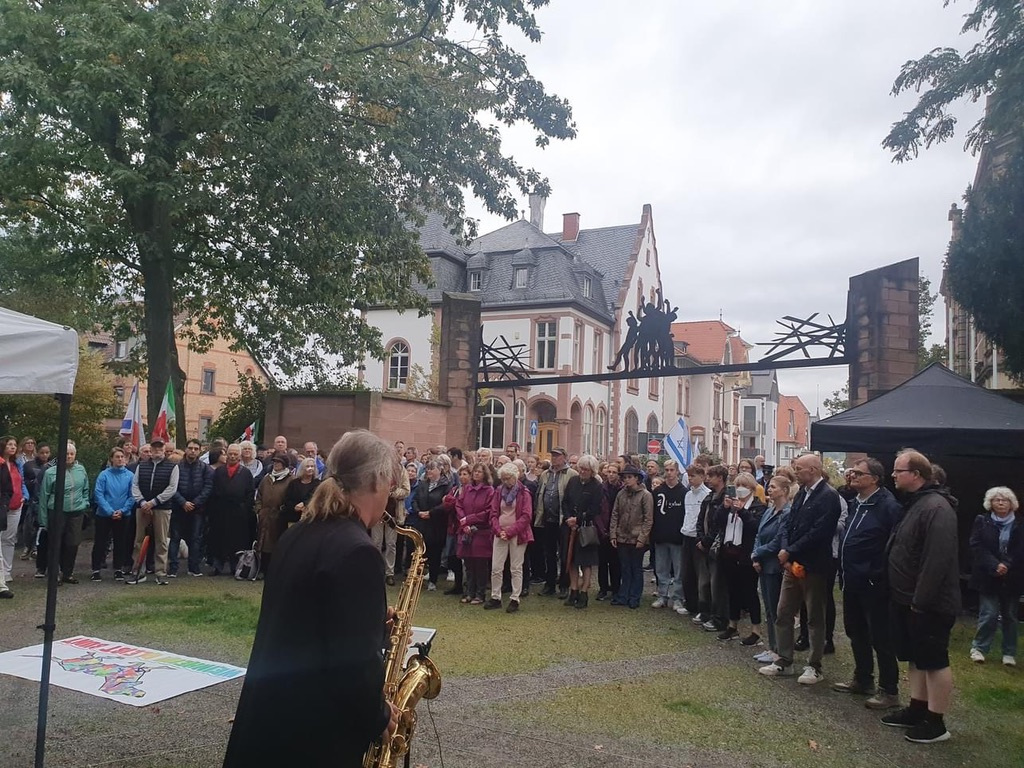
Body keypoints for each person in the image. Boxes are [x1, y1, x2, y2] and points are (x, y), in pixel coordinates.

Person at [223, 430, 400, 768]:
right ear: (378, 480)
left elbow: (308, 624)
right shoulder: (358, 551)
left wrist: (372, 624)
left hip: (271, 719)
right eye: (390, 483)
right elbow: (353, 666)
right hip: (314, 735)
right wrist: (379, 716)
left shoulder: (299, 534)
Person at [881, 449, 960, 743]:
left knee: (934, 660)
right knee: (915, 657)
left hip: (929, 604)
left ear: (916, 475)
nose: (893, 475)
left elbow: (936, 561)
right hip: (907, 599)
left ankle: (936, 722)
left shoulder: (937, 508)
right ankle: (917, 707)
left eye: (898, 470)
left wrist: (920, 602)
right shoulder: (916, 503)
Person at [759, 453, 842, 685]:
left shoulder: (829, 496)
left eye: (800, 468)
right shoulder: (802, 493)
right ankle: (784, 660)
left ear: (813, 470)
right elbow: (789, 524)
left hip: (814, 565)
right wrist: (786, 551)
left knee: (815, 616)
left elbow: (820, 532)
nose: (796, 472)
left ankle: (814, 665)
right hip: (792, 564)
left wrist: (791, 550)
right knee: (783, 611)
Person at [833, 458, 904, 709]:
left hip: (873, 584)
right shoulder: (856, 504)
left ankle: (889, 690)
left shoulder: (887, 507)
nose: (852, 477)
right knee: (856, 632)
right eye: (851, 473)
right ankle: (863, 679)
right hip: (851, 580)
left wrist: (876, 575)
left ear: (874, 478)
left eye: (858, 474)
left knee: (880, 637)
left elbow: (892, 547)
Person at [969, 486, 1023, 667]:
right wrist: (994, 564)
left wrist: (1006, 564)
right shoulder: (982, 521)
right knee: (989, 614)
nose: (1000, 503)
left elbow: (1019, 549)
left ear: (1012, 503)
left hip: (1012, 576)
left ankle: (1009, 652)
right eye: (996, 499)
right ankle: (979, 648)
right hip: (987, 575)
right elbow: (976, 545)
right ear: (990, 503)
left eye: (1005, 500)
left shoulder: (1019, 524)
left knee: (1010, 615)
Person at [715, 472, 766, 644]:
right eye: (737, 486)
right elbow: (718, 522)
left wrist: (742, 511)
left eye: (743, 486)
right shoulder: (730, 504)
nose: (740, 490)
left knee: (750, 592)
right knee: (732, 591)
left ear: (751, 489)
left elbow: (755, 527)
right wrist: (724, 507)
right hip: (728, 552)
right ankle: (732, 625)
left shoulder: (758, 507)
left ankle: (756, 630)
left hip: (746, 555)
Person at [751, 474, 792, 664]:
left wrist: (758, 552)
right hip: (762, 562)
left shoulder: (787, 513)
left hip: (774, 564)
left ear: (784, 490)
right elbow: (759, 534)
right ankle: (771, 646)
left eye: (774, 487)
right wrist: (756, 555)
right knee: (768, 607)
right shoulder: (769, 510)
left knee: (777, 609)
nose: (770, 490)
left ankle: (780, 649)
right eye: (770, 487)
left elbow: (778, 541)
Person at [39, 441, 91, 585]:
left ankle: (67, 573)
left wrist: (85, 502)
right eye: (66, 454)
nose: (68, 456)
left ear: (75, 455)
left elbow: (86, 488)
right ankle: (54, 574)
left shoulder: (81, 469)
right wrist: (43, 520)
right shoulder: (50, 472)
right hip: (56, 512)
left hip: (76, 512)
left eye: (71, 454)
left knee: (73, 544)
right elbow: (44, 496)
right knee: (55, 544)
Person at [129, 438, 180, 585]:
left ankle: (160, 573)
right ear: (150, 450)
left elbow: (172, 488)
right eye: (154, 448)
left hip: (162, 508)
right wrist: (143, 502)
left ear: (164, 450)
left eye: (160, 448)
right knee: (139, 541)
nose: (157, 451)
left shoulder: (172, 467)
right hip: (142, 507)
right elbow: (135, 485)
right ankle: (138, 571)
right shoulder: (142, 466)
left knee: (161, 541)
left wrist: (154, 502)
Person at [488, 461, 533, 612]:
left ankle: (515, 598)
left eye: (508, 478)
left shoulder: (524, 492)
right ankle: (495, 597)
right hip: (500, 533)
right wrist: (498, 530)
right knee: (496, 567)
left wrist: (510, 531)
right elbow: (493, 513)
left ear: (515, 477)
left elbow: (526, 516)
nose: (505, 481)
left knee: (516, 567)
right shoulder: (498, 491)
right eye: (503, 478)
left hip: (518, 534)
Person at [205, 444, 256, 577]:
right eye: (230, 454)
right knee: (218, 540)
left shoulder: (246, 473)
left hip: (238, 513)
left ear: (239, 456)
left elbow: (250, 493)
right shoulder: (219, 472)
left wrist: (245, 508)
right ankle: (217, 566)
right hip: (220, 512)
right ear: (227, 455)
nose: (233, 456)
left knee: (237, 541)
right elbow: (213, 491)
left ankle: (235, 566)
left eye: (235, 454)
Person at [561, 454, 603, 609]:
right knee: (570, 560)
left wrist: (577, 520)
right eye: (581, 468)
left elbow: (594, 509)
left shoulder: (596, 486)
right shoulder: (573, 482)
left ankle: (584, 591)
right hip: (569, 526)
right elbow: (565, 501)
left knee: (585, 562)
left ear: (592, 471)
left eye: (586, 469)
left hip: (586, 528)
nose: (583, 472)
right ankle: (573, 590)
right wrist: (568, 518)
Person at [535, 447, 577, 597]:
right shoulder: (545, 474)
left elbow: (573, 498)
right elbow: (540, 495)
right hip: (548, 519)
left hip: (563, 520)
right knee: (549, 553)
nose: (554, 458)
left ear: (564, 457)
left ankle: (564, 585)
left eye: (557, 456)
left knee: (565, 554)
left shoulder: (572, 474)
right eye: (552, 455)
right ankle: (550, 584)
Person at [609, 465, 653, 609]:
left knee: (636, 568)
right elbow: (615, 514)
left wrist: (642, 538)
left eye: (629, 477)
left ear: (637, 479)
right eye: (625, 477)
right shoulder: (621, 494)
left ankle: (635, 597)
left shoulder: (645, 495)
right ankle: (623, 595)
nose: (626, 480)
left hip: (637, 537)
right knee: (625, 568)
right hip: (622, 537)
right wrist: (613, 534)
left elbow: (648, 519)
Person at [170, 439, 214, 577]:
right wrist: (183, 502)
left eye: (196, 448)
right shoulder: (176, 467)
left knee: (195, 539)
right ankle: (173, 568)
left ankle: (193, 567)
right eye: (190, 448)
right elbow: (172, 487)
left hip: (197, 510)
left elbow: (208, 487)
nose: (193, 451)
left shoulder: (205, 468)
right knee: (175, 539)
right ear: (186, 449)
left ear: (200, 450)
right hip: (178, 508)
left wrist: (195, 503)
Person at [91, 447, 136, 581]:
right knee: (100, 542)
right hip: (104, 515)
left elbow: (132, 495)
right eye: (117, 457)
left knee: (121, 542)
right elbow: (98, 494)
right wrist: (110, 511)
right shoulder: (104, 475)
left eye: (122, 457)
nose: (120, 459)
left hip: (123, 514)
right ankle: (96, 569)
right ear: (111, 459)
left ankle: (118, 569)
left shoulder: (130, 476)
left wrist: (122, 510)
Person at [696, 465, 729, 632]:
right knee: (704, 582)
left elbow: (718, 524)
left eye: (711, 476)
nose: (707, 479)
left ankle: (719, 617)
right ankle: (705, 611)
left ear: (720, 478)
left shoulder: (726, 498)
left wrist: (707, 541)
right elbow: (701, 518)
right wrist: (701, 537)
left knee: (717, 584)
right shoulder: (709, 497)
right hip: (704, 545)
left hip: (717, 546)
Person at [651, 459, 687, 613]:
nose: (669, 473)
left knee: (678, 571)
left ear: (677, 471)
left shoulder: (684, 492)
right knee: (661, 569)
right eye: (666, 470)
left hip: (678, 538)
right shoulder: (658, 492)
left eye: (672, 470)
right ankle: (662, 596)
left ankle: (677, 598)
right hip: (660, 536)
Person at [456, 462, 495, 605]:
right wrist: (464, 522)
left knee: (480, 564)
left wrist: (470, 519)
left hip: (481, 531)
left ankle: (480, 594)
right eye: (475, 472)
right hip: (466, 530)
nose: (476, 474)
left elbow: (488, 511)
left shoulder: (489, 490)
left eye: (479, 472)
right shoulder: (467, 489)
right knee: (468, 564)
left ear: (485, 474)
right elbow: (459, 505)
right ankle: (469, 592)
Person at [412, 459, 451, 591]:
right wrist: (419, 512)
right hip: (421, 523)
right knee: (420, 553)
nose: (428, 471)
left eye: (432, 468)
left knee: (434, 553)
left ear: (439, 470)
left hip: (436, 524)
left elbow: (445, 504)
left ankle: (433, 581)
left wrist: (431, 513)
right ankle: (416, 580)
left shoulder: (446, 485)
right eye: (427, 468)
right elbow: (415, 500)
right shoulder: (422, 484)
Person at [255, 453, 292, 577]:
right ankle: (263, 569)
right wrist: (259, 509)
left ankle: (275, 570)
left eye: (279, 462)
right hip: (265, 515)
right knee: (263, 543)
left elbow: (290, 497)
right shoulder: (266, 478)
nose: (276, 464)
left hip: (279, 517)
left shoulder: (290, 479)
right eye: (275, 462)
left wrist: (283, 510)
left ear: (284, 464)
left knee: (277, 544)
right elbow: (259, 495)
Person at [680, 464, 710, 619]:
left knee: (701, 576)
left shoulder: (707, 494)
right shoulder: (687, 495)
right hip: (687, 536)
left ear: (702, 477)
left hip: (698, 538)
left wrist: (701, 537)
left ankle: (702, 607)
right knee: (687, 573)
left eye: (693, 476)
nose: (690, 479)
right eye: (689, 476)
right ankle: (690, 604)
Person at [0, 436, 27, 584]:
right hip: (1, 506)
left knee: (9, 539)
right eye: (9, 444)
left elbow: (22, 482)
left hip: (16, 505)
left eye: (14, 445)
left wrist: (25, 497)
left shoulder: (17, 464)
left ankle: (7, 571)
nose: (12, 447)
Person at [595, 463, 621, 601]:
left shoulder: (622, 489)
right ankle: (603, 588)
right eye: (609, 472)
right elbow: (597, 510)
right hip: (602, 530)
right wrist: (602, 529)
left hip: (617, 531)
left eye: (614, 472)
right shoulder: (601, 488)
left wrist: (615, 531)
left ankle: (616, 589)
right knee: (602, 562)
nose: (611, 474)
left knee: (615, 563)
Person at [19, 442, 49, 562]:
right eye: (42, 452)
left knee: (41, 524)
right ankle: (27, 546)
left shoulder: (51, 465)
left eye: (47, 453)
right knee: (29, 524)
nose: (44, 455)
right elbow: (23, 480)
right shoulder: (29, 465)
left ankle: (37, 548)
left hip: (45, 497)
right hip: (31, 497)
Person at [279, 458, 321, 539]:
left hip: (310, 519)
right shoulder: (294, 483)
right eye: (308, 466)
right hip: (293, 519)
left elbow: (317, 498)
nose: (310, 468)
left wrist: (305, 504)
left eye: (312, 466)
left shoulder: (318, 484)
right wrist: (294, 507)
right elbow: (287, 499)